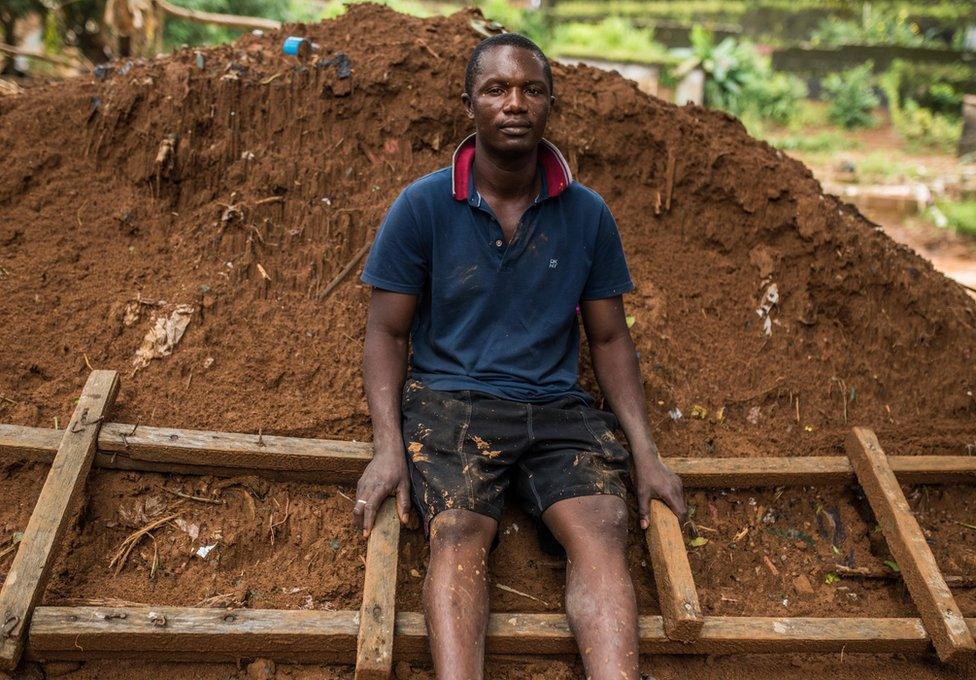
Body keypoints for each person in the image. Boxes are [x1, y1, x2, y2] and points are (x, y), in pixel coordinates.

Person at [354, 32, 686, 680]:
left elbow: (611, 339)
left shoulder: (586, 214)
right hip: (452, 404)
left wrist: (646, 454)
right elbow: (387, 334)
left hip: (557, 407)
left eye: (531, 89)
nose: (514, 102)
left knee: (603, 522)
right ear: (469, 104)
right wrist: (388, 448)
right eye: (496, 89)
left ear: (551, 104)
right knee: (456, 533)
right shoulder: (422, 207)